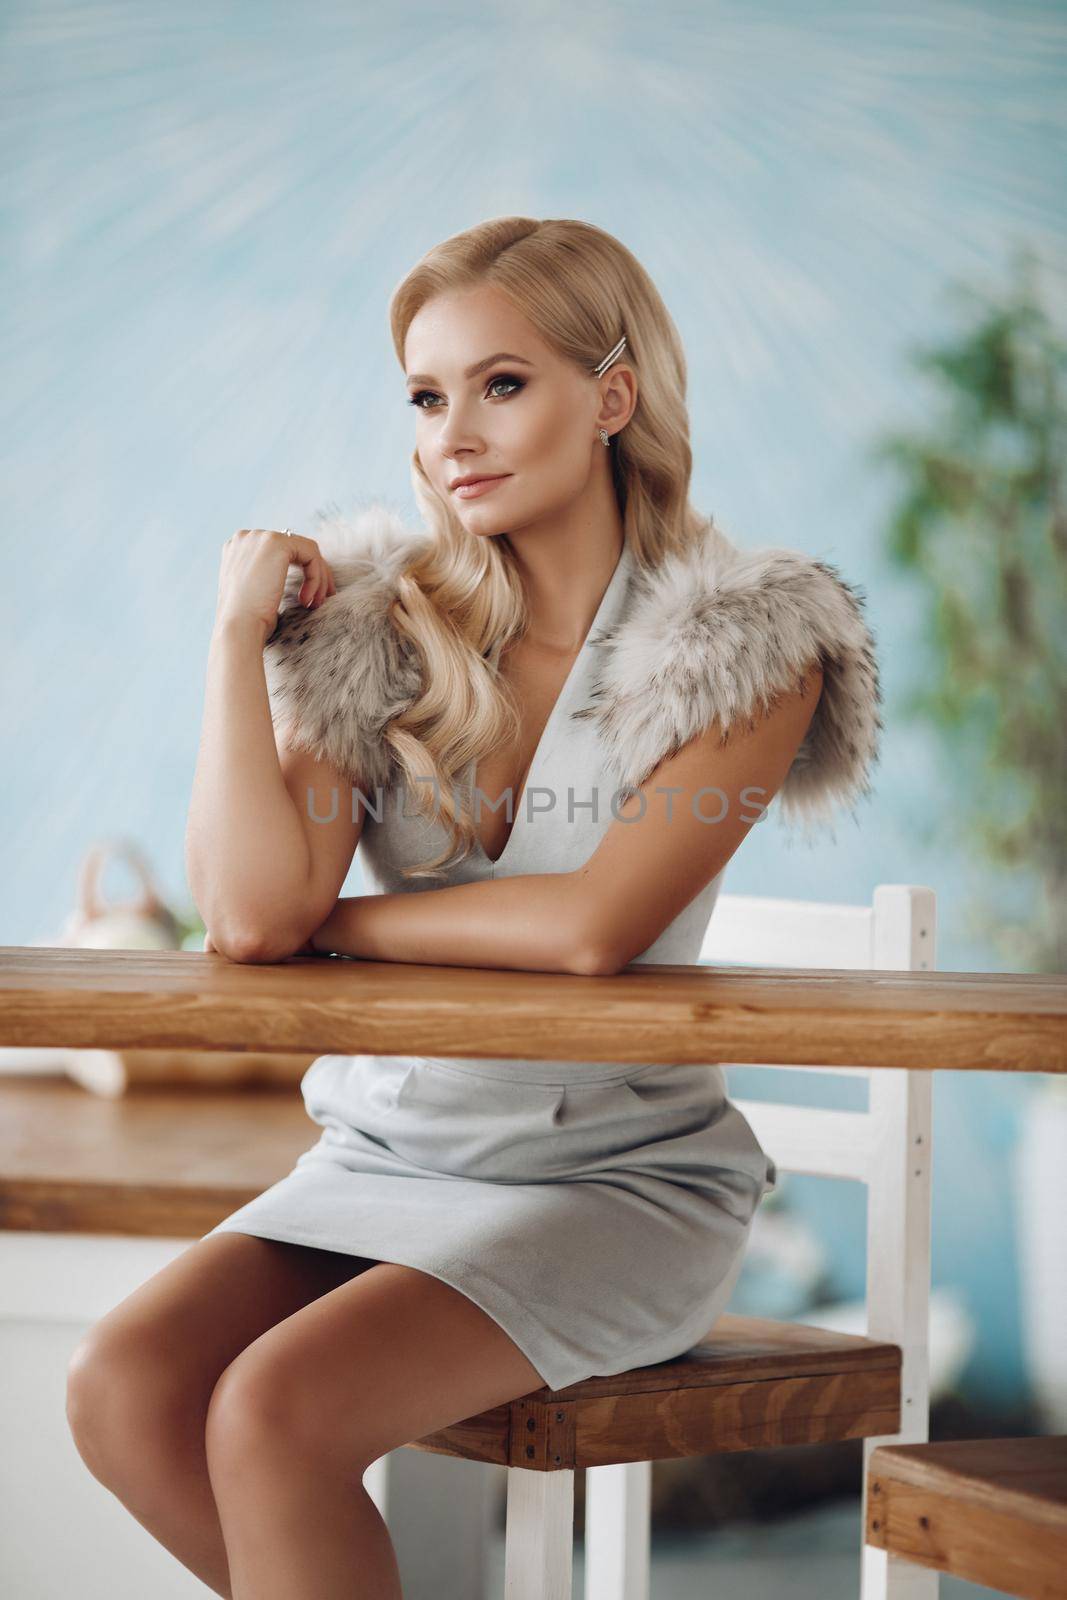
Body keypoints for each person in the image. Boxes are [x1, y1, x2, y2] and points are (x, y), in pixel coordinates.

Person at [65, 216, 881, 1600]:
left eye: (502, 384)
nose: (456, 432)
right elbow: (256, 917)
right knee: (120, 1388)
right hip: (394, 1150)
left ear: (611, 398)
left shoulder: (752, 640)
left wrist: (352, 929)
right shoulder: (374, 631)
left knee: (270, 1419)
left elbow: (589, 930)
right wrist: (235, 644)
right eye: (427, 395)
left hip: (619, 1181)